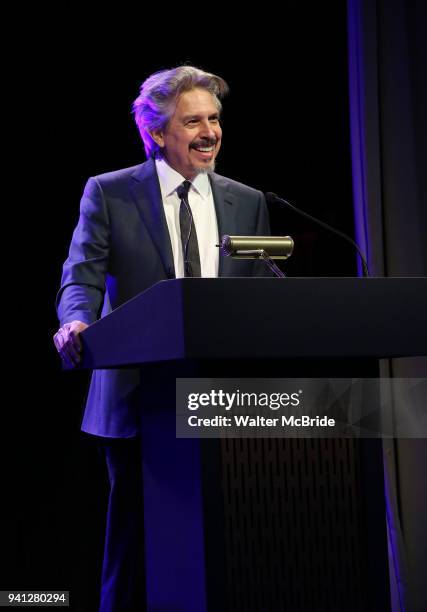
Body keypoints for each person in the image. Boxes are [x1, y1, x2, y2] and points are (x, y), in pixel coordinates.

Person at [53, 65, 272, 611]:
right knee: (134, 549)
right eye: (192, 120)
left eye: (215, 118)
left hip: (224, 399)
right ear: (157, 133)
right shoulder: (110, 192)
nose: (209, 132)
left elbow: (265, 292)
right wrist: (76, 320)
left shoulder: (247, 201)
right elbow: (81, 274)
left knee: (229, 544)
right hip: (137, 398)